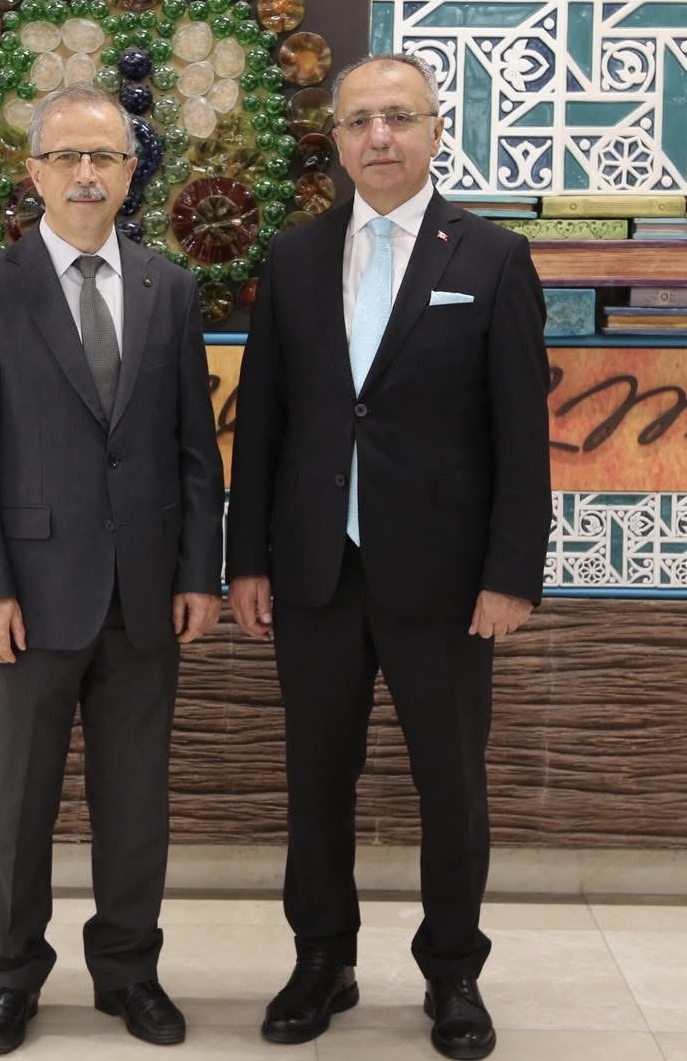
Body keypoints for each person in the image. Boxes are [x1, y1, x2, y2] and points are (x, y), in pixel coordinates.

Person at [226, 53, 552, 1059]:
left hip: (446, 578)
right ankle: (321, 959)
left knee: (449, 783)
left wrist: (511, 573)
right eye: (359, 119)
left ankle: (452, 972)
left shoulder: (491, 257)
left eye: (399, 117)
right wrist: (248, 560)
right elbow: (264, 419)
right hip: (315, 569)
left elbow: (520, 435)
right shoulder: (293, 258)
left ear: (434, 130)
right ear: (334, 138)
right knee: (316, 778)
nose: (379, 136)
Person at [0, 83, 225, 1055]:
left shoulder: (168, 289)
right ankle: (11, 974)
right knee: (19, 801)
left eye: (104, 156)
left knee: (135, 801)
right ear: (35, 171)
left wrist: (198, 572)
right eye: (66, 156)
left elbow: (194, 452)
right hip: (26, 597)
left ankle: (129, 971)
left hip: (144, 595)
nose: (86, 174)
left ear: (132, 172)